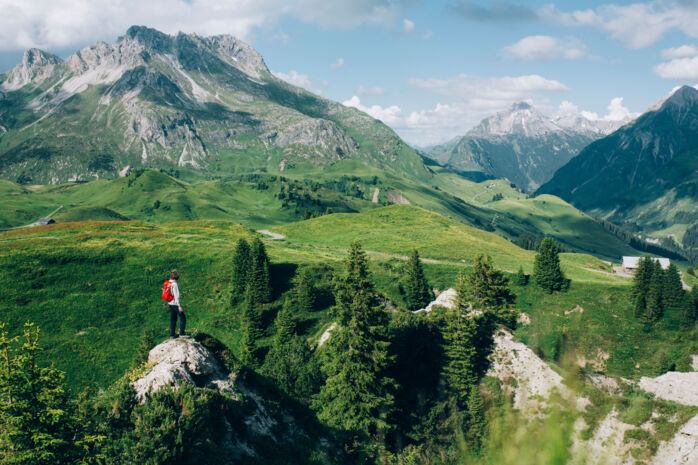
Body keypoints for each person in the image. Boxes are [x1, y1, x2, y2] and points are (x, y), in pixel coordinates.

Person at [167, 270, 186, 338]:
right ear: (176, 277)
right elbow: (176, 296)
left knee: (173, 318)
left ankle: (172, 334)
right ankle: (182, 333)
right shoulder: (175, 284)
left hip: (170, 303)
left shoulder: (169, 282)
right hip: (175, 303)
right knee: (183, 317)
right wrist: (179, 306)